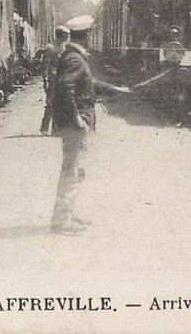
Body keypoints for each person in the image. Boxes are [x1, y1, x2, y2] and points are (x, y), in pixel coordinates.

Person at [50, 15, 131, 235]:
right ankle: (61, 221)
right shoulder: (75, 59)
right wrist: (76, 117)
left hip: (77, 123)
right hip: (76, 124)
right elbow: (64, 87)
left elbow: (88, 84)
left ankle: (68, 214)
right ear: (85, 36)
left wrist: (115, 90)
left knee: (75, 170)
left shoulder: (73, 56)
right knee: (72, 171)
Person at [39, 25, 70, 136]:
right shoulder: (50, 48)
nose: (67, 37)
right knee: (51, 103)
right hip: (52, 79)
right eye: (65, 35)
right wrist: (45, 79)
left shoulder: (64, 47)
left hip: (62, 78)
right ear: (60, 35)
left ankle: (56, 129)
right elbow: (45, 65)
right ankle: (44, 128)